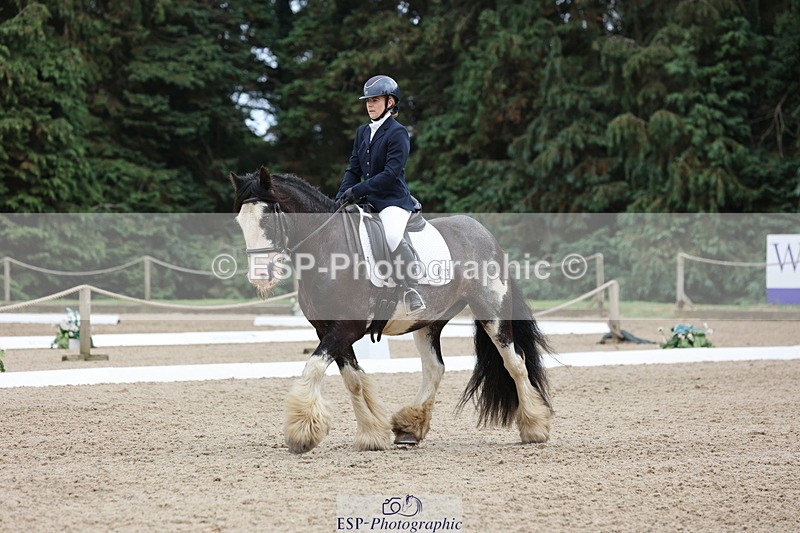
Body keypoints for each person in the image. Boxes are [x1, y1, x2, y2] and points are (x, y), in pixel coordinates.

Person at [335, 75, 426, 315]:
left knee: (393, 235)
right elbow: (353, 168)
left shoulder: (398, 133)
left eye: (375, 100)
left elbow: (390, 173)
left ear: (390, 102)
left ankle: (412, 287)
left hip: (392, 201)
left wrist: (357, 191)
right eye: (367, 101)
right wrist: (341, 195)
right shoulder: (362, 132)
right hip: (368, 200)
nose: (369, 105)